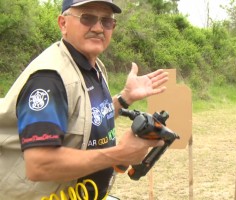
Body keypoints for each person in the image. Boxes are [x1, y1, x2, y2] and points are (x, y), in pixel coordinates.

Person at [0, 0, 168, 199]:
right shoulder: (49, 79)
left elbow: (87, 117)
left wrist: (124, 98)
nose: (98, 28)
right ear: (63, 24)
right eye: (87, 18)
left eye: (106, 21)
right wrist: (120, 154)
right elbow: (39, 164)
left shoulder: (93, 66)